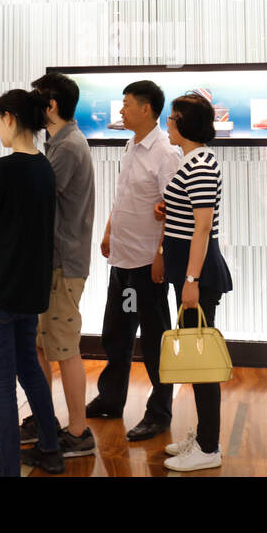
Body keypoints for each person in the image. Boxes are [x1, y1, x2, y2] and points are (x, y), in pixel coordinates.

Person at [0, 88, 64, 476]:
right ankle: (51, 447)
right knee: (29, 369)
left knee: (1, 386)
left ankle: (7, 469)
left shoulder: (4, 170)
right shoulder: (44, 167)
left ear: (9, 118)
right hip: (30, 290)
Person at [86, 80, 181, 442]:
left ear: (146, 109)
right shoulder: (131, 145)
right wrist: (109, 231)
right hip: (123, 261)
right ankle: (111, 398)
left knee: (156, 341)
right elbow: (124, 195)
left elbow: (173, 210)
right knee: (117, 333)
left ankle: (159, 412)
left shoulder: (166, 153)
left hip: (147, 265)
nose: (121, 110)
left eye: (126, 104)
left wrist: (160, 256)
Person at [18, 72, 96, 457]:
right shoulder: (59, 143)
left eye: (37, 100)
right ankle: (44, 416)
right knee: (43, 346)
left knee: (63, 348)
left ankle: (78, 432)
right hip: (54, 262)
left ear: (50, 105)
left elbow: (39, 200)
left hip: (63, 264)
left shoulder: (66, 147)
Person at [159, 92, 233, 472]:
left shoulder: (200, 163)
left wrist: (191, 279)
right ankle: (204, 436)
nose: (167, 124)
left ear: (185, 125)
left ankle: (208, 447)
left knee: (200, 361)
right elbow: (189, 215)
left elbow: (202, 228)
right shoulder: (191, 160)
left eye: (172, 119)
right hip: (188, 274)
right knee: (194, 356)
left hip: (198, 277)